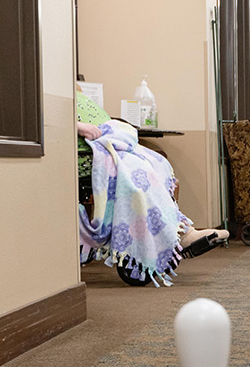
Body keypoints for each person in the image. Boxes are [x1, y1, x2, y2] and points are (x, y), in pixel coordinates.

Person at [76, 91, 228, 285]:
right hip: (87, 150)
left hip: (104, 140)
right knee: (137, 175)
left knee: (156, 161)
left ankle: (180, 231)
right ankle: (168, 239)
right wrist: (78, 126)